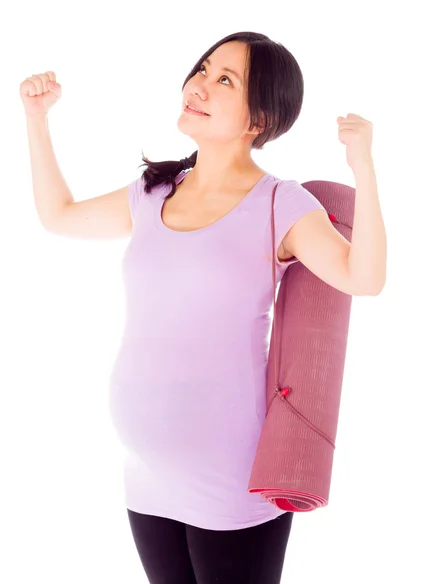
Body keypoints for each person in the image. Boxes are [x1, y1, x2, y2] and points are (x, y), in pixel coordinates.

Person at [21, 31, 331, 584]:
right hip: (146, 475)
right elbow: (59, 215)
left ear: (258, 119)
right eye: (204, 69)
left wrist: (366, 165)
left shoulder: (281, 203)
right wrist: (36, 119)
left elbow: (365, 276)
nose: (199, 85)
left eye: (225, 80)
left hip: (232, 477)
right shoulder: (152, 191)